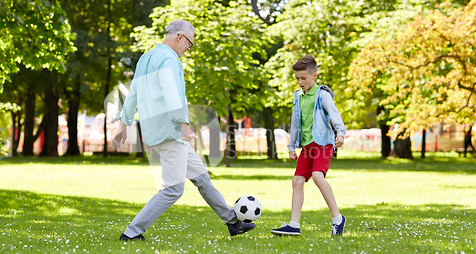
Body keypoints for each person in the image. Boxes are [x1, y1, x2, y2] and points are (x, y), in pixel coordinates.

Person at [112, 19, 255, 241]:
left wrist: (123, 125)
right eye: (189, 43)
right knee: (173, 190)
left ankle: (232, 222)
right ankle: (132, 233)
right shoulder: (169, 59)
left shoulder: (146, 57)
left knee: (202, 178)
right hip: (171, 132)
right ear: (180, 37)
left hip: (158, 131)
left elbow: (133, 95)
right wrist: (184, 125)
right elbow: (172, 94)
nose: (188, 49)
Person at [271, 54, 347, 236]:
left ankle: (338, 219)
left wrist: (341, 134)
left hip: (322, 144)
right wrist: (291, 147)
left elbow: (335, 116)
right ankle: (294, 225)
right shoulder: (298, 97)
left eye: (303, 78)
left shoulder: (322, 95)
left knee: (317, 177)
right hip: (307, 147)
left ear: (314, 75)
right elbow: (296, 123)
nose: (300, 82)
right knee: (297, 180)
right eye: (297, 78)